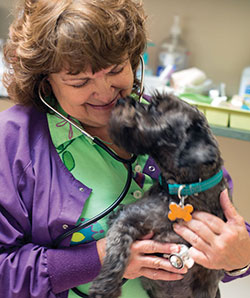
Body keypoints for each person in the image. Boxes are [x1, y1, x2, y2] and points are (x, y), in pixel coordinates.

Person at [0, 0, 249, 297]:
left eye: (116, 69)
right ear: (46, 81)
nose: (106, 93)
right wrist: (101, 260)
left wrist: (240, 259)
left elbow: (226, 227)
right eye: (80, 81)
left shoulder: (165, 123)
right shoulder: (15, 142)